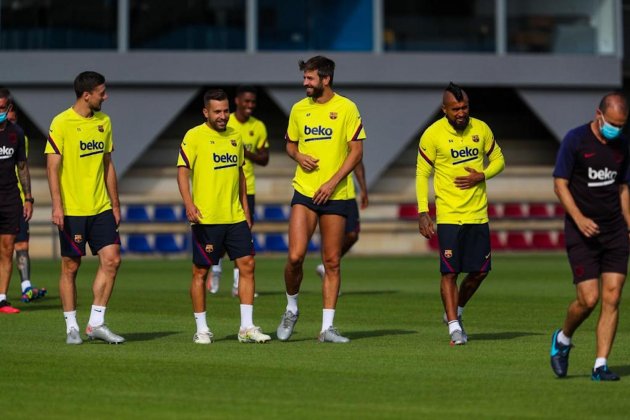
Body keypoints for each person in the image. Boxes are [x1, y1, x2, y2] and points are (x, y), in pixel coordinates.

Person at [276, 56, 365, 343]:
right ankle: (291, 308)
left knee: (332, 261)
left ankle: (327, 328)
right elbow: (289, 144)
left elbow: (356, 152)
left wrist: (332, 182)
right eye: (304, 78)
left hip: (336, 194)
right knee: (295, 256)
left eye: (310, 78)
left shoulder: (347, 108)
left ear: (325, 79)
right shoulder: (299, 110)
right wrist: (298, 154)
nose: (305, 83)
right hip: (304, 191)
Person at [177, 88, 271, 345]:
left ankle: (247, 327)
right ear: (205, 112)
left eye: (226, 110)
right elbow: (183, 172)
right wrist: (188, 204)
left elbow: (240, 174)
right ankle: (202, 329)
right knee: (200, 272)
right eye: (217, 111)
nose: (222, 116)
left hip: (235, 216)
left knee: (248, 266)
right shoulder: (194, 136)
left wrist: (246, 208)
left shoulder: (235, 135)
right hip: (206, 218)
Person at [416, 82, 505, 346]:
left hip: (478, 214)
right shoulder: (432, 135)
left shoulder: (482, 129)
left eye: (464, 107)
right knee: (450, 273)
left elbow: (499, 159)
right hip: (449, 216)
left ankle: (456, 311)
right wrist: (423, 211)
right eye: (455, 108)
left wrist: (483, 174)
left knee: (480, 272)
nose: (461, 112)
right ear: (444, 109)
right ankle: (455, 327)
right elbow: (422, 175)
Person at [549, 92, 630, 381]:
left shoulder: (622, 145)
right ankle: (563, 339)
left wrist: (629, 226)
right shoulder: (575, 140)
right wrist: (580, 219)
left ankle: (600, 365)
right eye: (612, 124)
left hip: (615, 231)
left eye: (621, 125)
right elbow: (560, 184)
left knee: (613, 295)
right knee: (589, 299)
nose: (616, 130)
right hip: (581, 232)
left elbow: (622, 187)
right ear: (599, 114)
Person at [45, 71, 124, 345]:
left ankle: (96, 323)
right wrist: (57, 205)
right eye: (102, 92)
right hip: (72, 209)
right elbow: (52, 167)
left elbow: (108, 164)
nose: (106, 96)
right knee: (71, 266)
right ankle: (71, 327)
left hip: (100, 206)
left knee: (112, 259)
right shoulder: (61, 122)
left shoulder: (105, 121)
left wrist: (115, 203)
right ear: (86, 95)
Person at [206, 85, 269, 297]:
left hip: (246, 188)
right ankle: (215, 269)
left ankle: (236, 285)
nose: (250, 106)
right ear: (237, 101)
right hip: (222, 188)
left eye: (253, 102)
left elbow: (265, 158)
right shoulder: (225, 121)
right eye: (246, 101)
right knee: (220, 238)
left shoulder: (258, 126)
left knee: (243, 236)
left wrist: (244, 152)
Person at [7, 107, 47, 303]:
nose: (10, 123)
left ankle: (26, 287)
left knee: (22, 244)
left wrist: (28, 198)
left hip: (16, 199)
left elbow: (22, 167)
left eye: (13, 120)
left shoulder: (19, 138)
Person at [0, 88, 33, 314]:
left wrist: (28, 198)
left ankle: (1, 299)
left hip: (10, 198)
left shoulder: (16, 134)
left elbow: (22, 167)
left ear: (9, 108)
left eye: (1, 108)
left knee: (7, 248)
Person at [315, 161, 368, 292]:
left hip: (346, 193)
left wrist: (363, 189)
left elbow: (357, 162)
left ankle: (326, 267)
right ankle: (330, 275)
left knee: (353, 235)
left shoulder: (349, 141)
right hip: (324, 190)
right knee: (328, 237)